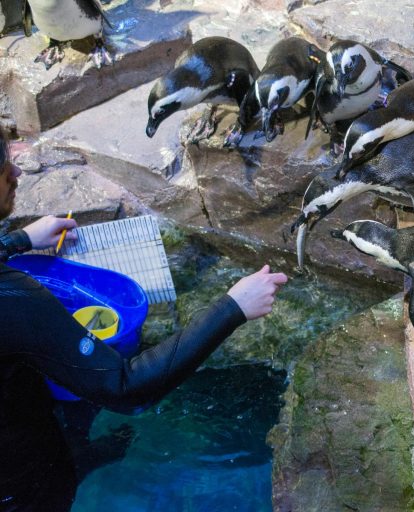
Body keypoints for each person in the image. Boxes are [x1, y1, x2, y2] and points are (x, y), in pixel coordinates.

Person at [0, 128, 289, 511]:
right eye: (5, 168)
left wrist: (17, 241)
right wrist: (233, 307)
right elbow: (125, 386)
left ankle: (81, 453)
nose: (16, 174)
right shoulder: (14, 298)